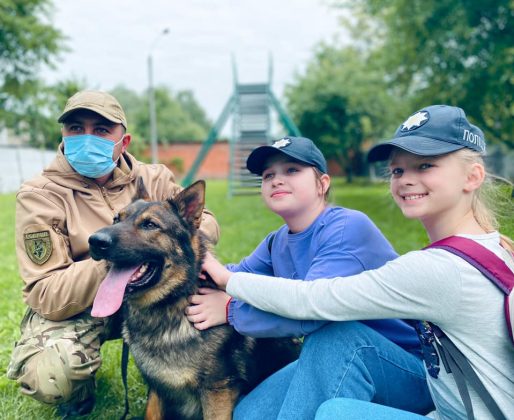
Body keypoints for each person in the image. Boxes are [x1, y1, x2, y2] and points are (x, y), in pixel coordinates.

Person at [202, 105, 514, 419]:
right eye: (398, 170)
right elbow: (245, 273)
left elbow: (313, 303)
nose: (406, 179)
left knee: (336, 350)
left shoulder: (434, 268)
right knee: (251, 414)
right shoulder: (458, 253)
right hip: (442, 395)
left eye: (425, 165)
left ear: (472, 177)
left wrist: (229, 299)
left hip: (401, 364)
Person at [186, 136, 434, 418]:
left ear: (323, 183)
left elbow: (312, 311)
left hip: (404, 368)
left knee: (334, 334)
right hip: (333, 359)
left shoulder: (347, 228)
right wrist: (184, 259)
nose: (277, 180)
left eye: (292, 170)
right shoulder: (276, 242)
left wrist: (231, 310)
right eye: (268, 176)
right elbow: (234, 273)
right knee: (248, 415)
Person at [7, 90, 220, 417]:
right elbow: (45, 293)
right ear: (63, 133)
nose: (86, 137)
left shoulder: (154, 177)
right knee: (52, 375)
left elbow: (205, 223)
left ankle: (193, 376)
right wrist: (113, 258)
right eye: (76, 128)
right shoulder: (40, 195)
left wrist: (174, 246)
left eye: (102, 129)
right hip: (85, 305)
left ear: (124, 140)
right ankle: (78, 391)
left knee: (216, 298)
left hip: (155, 290)